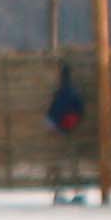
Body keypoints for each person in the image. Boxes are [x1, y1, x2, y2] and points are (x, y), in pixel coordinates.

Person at [47, 64, 91, 204]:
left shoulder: (60, 93)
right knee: (73, 163)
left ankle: (61, 191)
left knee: (62, 162)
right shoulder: (73, 92)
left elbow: (53, 111)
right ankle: (76, 191)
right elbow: (80, 109)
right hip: (72, 129)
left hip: (61, 130)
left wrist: (53, 124)